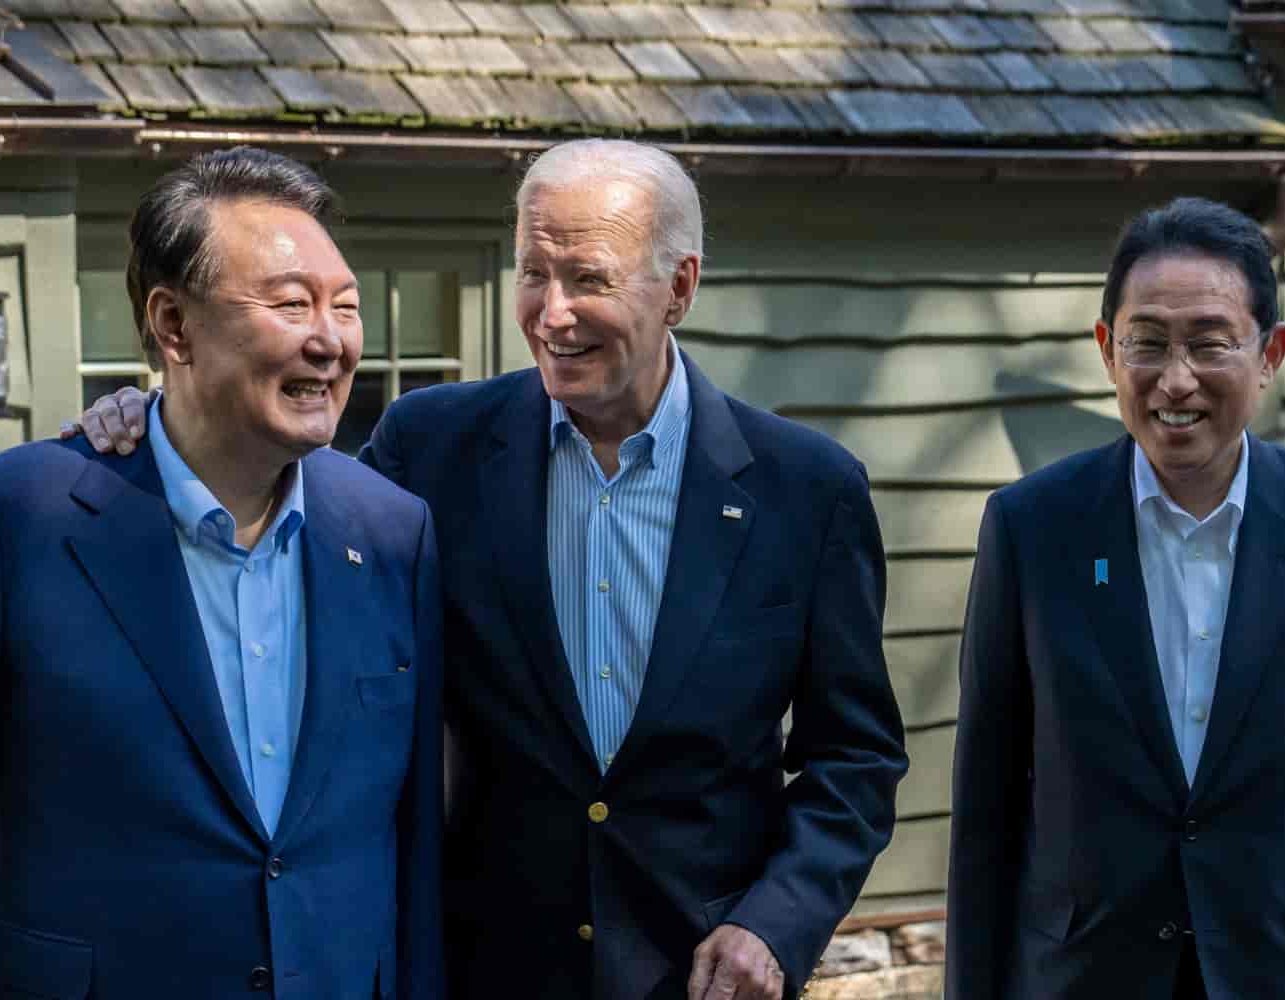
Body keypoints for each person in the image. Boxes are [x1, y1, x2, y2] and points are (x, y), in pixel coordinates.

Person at [73, 139, 908, 1000]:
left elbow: (854, 759)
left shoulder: (806, 490)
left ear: (681, 288)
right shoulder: (429, 446)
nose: (551, 313)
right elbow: (274, 501)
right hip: (483, 969)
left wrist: (773, 923)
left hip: (702, 974)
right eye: (532, 274)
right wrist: (161, 413)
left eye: (588, 279)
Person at [0, 148, 444, 999]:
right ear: (173, 326)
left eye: (344, 307)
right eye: (291, 303)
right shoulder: (13, 516)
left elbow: (410, 844)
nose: (330, 339)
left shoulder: (391, 530)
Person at [944, 197, 1285, 999]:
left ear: (1270, 352)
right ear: (1107, 350)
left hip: (1283, 972)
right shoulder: (1032, 528)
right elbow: (987, 802)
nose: (1176, 380)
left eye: (1209, 343)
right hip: (1082, 973)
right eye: (1147, 343)